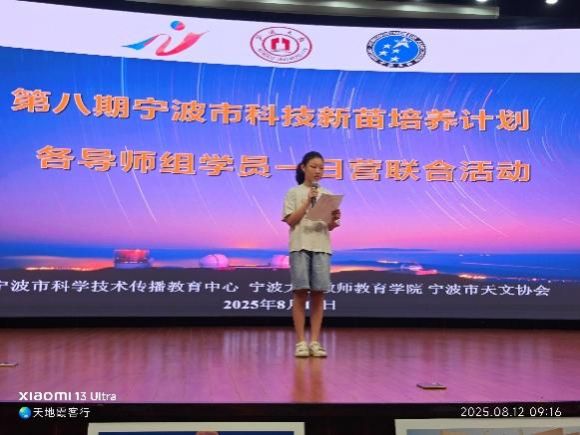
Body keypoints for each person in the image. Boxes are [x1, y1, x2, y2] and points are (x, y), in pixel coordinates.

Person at [282, 151, 341, 358]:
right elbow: (290, 221)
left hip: (322, 246)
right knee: (300, 292)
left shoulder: (327, 194)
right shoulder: (293, 192)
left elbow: (330, 226)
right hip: (300, 246)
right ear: (303, 167)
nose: (318, 171)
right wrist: (307, 202)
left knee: (318, 294)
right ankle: (300, 342)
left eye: (321, 168)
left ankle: (315, 342)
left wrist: (334, 219)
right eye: (314, 166)